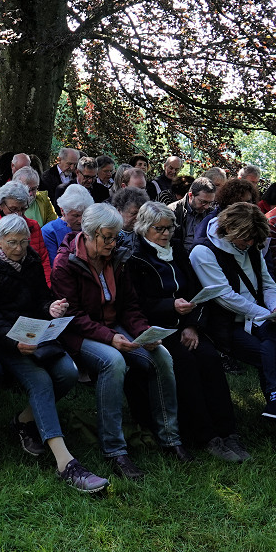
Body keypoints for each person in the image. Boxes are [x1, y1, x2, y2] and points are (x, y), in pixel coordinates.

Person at [51, 203, 188, 480]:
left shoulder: (118, 258)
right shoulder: (65, 263)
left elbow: (130, 307)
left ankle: (170, 438)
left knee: (162, 356)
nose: (113, 243)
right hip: (80, 334)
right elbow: (74, 316)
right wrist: (111, 337)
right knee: (113, 363)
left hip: (114, 326)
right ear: (88, 234)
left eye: (116, 237)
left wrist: (145, 332)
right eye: (107, 237)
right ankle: (115, 450)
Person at [0, 214, 109, 491]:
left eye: (24, 242)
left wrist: (50, 308)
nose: (18, 249)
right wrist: (14, 343)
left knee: (68, 373)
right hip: (4, 340)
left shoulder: (31, 260)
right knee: (39, 381)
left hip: (35, 334)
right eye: (12, 243)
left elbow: (41, 297)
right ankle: (65, 463)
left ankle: (25, 420)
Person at [128, 202, 249, 462]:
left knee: (210, 358)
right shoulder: (135, 258)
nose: (165, 234)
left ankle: (229, 432)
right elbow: (135, 303)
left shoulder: (178, 251)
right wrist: (169, 305)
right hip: (155, 329)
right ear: (144, 228)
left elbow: (195, 290)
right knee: (185, 365)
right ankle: (206, 436)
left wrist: (192, 325)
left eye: (169, 228)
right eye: (158, 229)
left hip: (185, 326)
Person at [189, 202, 276, 451]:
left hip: (258, 317)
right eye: (244, 239)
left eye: (252, 241)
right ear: (229, 229)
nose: (248, 245)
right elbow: (224, 297)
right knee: (272, 358)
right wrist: (265, 313)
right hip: (225, 324)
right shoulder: (202, 252)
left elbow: (268, 284)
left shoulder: (253, 245)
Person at [0, 181, 51, 281]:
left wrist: (47, 288)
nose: (18, 214)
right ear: (1, 205)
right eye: (13, 209)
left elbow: (43, 260)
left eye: (23, 209)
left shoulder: (33, 226)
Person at [41, 184, 92, 266]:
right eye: (76, 215)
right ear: (62, 211)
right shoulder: (49, 232)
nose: (81, 220)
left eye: (84, 215)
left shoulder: (90, 228)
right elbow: (54, 265)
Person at [168, 178, 216, 253]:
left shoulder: (211, 214)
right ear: (190, 195)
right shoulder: (173, 211)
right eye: (203, 202)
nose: (206, 207)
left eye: (210, 203)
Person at [108, 186, 149, 256]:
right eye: (133, 213)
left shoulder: (144, 233)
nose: (137, 218)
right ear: (119, 211)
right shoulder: (110, 233)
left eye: (141, 214)